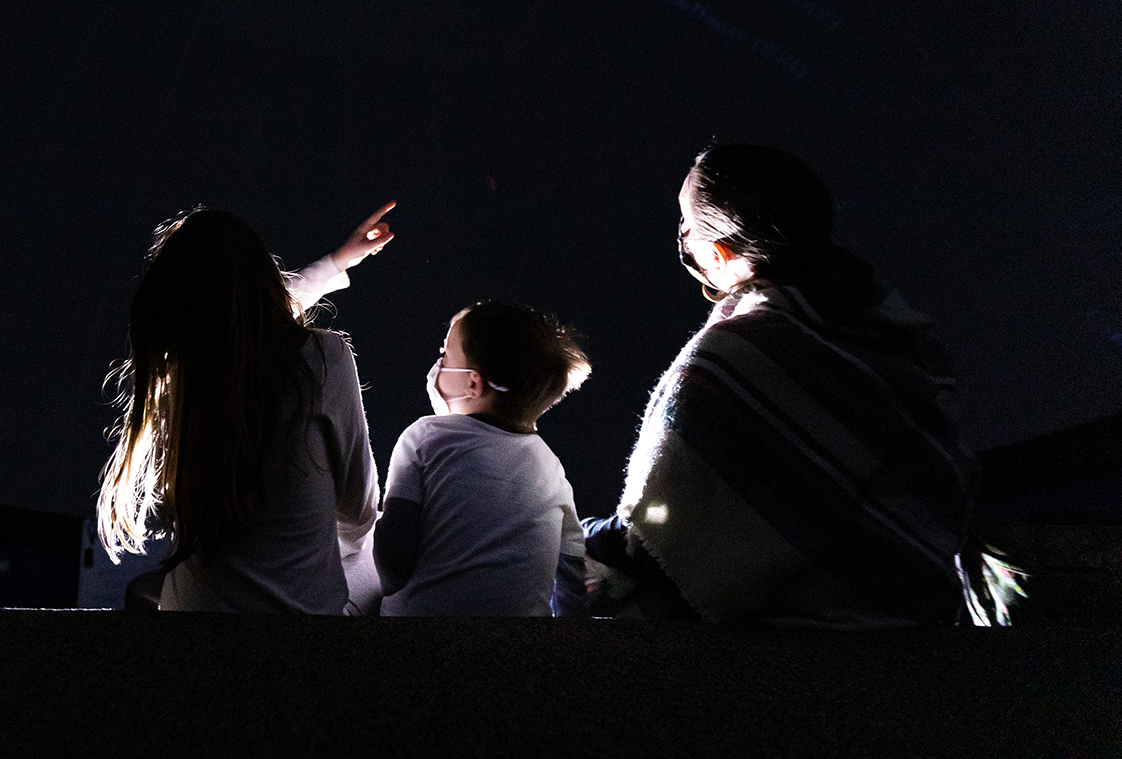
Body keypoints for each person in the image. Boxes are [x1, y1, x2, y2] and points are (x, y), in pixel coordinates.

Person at [586, 145, 989, 626]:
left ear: (718, 253)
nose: (681, 238)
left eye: (684, 223)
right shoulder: (909, 347)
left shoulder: (730, 362)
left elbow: (658, 543)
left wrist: (569, 533)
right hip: (925, 639)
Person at [96, 203, 395, 613]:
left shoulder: (184, 376)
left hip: (191, 617)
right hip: (302, 632)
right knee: (377, 555)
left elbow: (233, 323)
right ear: (263, 277)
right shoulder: (323, 358)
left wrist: (337, 261)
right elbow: (359, 513)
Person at [375, 302, 591, 616]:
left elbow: (392, 569)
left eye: (446, 354)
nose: (438, 363)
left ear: (473, 383)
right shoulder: (552, 468)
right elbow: (571, 574)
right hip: (518, 647)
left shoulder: (424, 437)